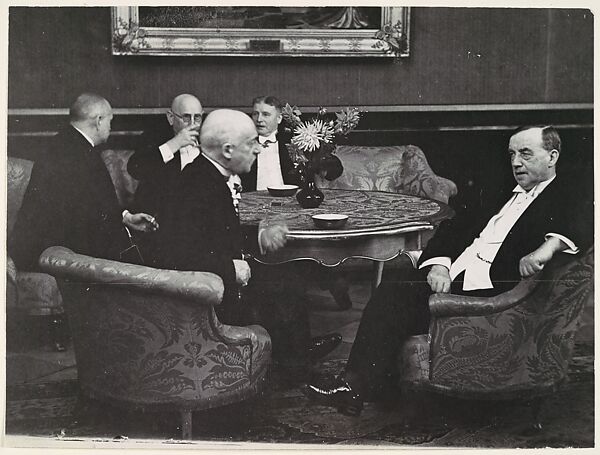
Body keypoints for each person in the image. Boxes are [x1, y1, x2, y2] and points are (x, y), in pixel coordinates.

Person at [305, 125, 593, 416]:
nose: (516, 162)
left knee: (396, 295)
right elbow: (453, 228)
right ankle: (371, 386)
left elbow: (583, 223)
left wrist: (548, 247)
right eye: (512, 154)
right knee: (398, 283)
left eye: (526, 154)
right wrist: (440, 265)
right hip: (455, 275)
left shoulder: (565, 195)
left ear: (552, 156)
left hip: (492, 291)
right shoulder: (502, 191)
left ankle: (354, 386)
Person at [150, 109, 341, 382]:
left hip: (214, 275)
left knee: (290, 276)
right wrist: (230, 268)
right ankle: (295, 363)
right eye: (251, 143)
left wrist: (257, 238)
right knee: (283, 284)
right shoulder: (196, 185)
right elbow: (174, 253)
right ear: (228, 150)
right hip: (205, 292)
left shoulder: (208, 176)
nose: (258, 150)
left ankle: (295, 352)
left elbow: (216, 235)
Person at [9, 93, 158, 271]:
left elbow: (93, 203)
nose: (110, 127)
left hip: (41, 248)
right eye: (110, 121)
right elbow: (86, 217)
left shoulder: (64, 143)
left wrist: (126, 217)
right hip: (54, 252)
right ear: (99, 121)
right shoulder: (80, 153)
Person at [249, 95, 352, 310]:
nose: (259, 119)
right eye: (255, 114)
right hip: (252, 208)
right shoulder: (243, 143)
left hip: (292, 207)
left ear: (279, 119)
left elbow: (333, 171)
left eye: (266, 114)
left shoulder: (296, 143)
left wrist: (323, 163)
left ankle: (331, 281)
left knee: (308, 243)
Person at [126, 94, 203, 245]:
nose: (193, 124)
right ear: (170, 117)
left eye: (198, 118)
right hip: (162, 224)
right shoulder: (153, 137)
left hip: (199, 220)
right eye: (186, 118)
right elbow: (135, 168)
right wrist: (175, 144)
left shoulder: (209, 138)